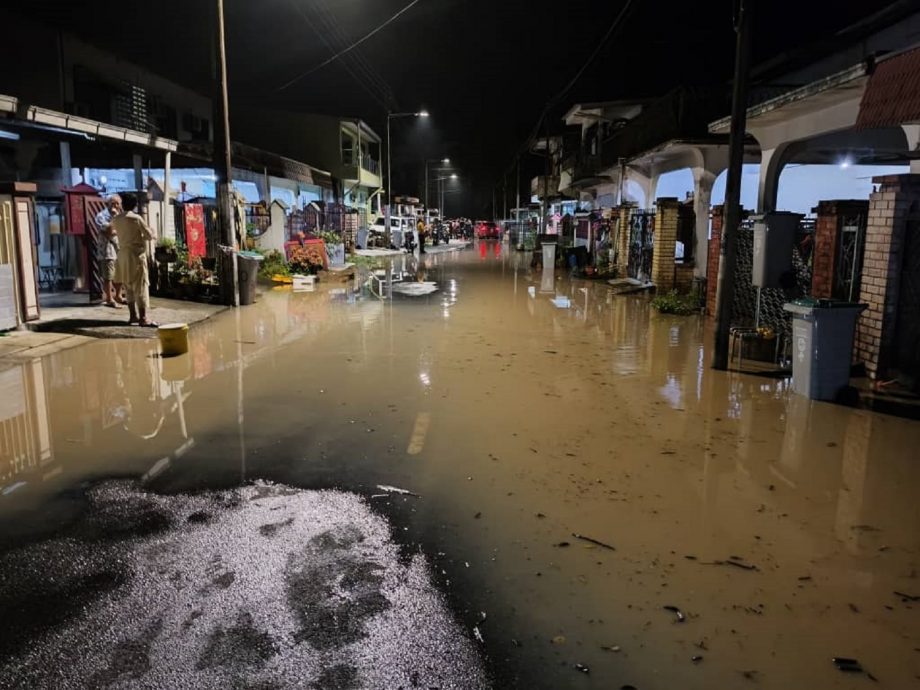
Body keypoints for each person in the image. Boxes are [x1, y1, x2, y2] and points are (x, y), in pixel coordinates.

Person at [112, 193, 157, 327]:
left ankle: (133, 316)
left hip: (122, 256)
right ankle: (143, 318)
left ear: (122, 205)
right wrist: (152, 233)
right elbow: (148, 235)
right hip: (135, 256)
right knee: (140, 287)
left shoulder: (116, 219)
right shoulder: (136, 218)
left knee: (128, 286)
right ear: (134, 205)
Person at [95, 194, 123, 307]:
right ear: (108, 204)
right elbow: (110, 231)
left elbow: (122, 230)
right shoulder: (101, 216)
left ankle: (118, 295)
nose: (115, 206)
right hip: (107, 250)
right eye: (113, 203)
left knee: (119, 274)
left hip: (119, 248)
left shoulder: (121, 215)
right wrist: (115, 221)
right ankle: (109, 299)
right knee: (108, 276)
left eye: (117, 204)